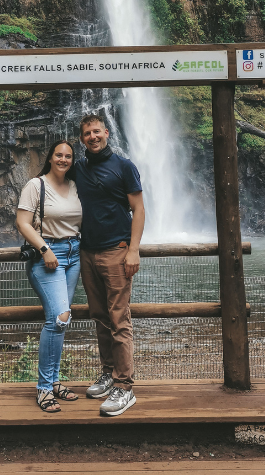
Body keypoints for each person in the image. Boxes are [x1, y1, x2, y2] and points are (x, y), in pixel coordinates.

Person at [74, 114, 145, 417]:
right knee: (100, 318)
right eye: (87, 133)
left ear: (107, 133)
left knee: (119, 319)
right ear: (82, 139)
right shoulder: (77, 168)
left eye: (96, 131)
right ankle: (107, 373)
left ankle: (125, 387)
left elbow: (139, 208)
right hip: (87, 252)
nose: (92, 137)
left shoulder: (124, 166)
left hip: (117, 251)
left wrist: (133, 250)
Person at [15, 140, 83, 413]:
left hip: (74, 253)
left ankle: (54, 381)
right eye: (59, 155)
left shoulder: (77, 185)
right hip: (48, 256)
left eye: (68, 156)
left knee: (60, 320)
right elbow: (22, 222)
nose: (63, 159)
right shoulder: (36, 185)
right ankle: (44, 388)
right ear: (51, 157)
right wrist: (43, 249)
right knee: (59, 317)